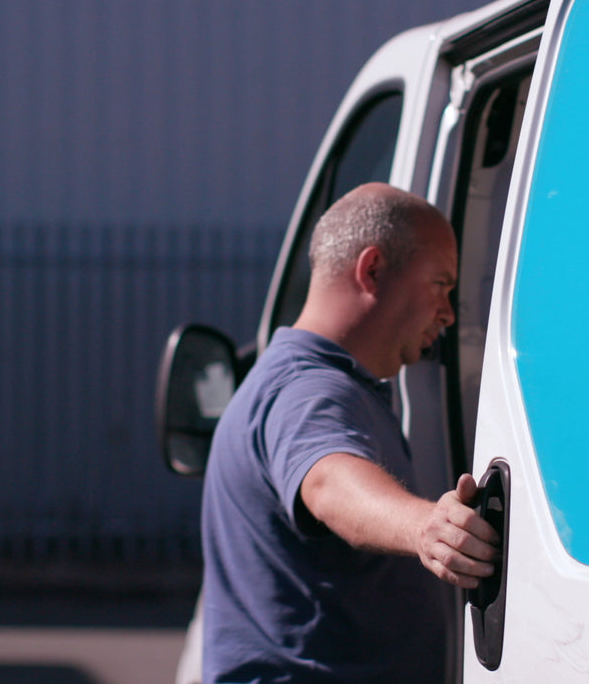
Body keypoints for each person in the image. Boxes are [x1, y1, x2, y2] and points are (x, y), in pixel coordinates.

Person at [201, 183, 500, 684]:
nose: (448, 314)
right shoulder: (308, 390)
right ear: (373, 270)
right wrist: (429, 527)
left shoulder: (312, 381)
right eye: (440, 286)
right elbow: (328, 483)